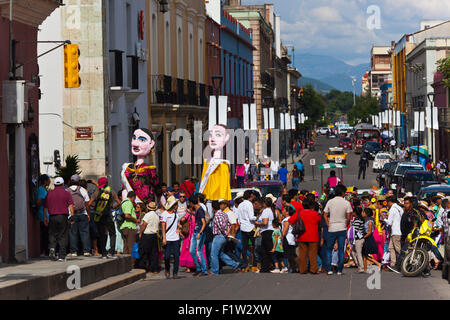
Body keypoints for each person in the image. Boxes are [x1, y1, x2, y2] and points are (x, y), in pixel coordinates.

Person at [323, 185, 352, 275]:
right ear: (343, 192)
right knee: (340, 249)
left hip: (332, 227)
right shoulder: (346, 203)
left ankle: (329, 269)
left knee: (329, 249)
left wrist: (328, 224)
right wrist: (345, 224)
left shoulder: (330, 202)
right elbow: (348, 217)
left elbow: (325, 214)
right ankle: (339, 270)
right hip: (342, 228)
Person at [89, 177, 121, 259]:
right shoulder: (111, 191)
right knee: (112, 233)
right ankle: (112, 252)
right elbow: (119, 202)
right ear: (106, 183)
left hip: (99, 216)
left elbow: (89, 204)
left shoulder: (96, 192)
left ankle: (103, 254)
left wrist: (95, 207)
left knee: (101, 234)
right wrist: (112, 207)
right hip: (108, 216)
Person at [44, 177, 75, 261]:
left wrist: (45, 217)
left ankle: (52, 248)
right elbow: (71, 206)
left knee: (52, 234)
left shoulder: (49, 193)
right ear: (63, 184)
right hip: (63, 216)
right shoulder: (66, 193)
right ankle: (61, 255)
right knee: (63, 235)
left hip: (52, 216)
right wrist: (72, 216)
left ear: (54, 184)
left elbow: (45, 207)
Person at [289, 197, 322, 274]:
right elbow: (319, 221)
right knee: (313, 254)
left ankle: (302, 270)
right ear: (311, 206)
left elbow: (290, 220)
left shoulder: (299, 213)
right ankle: (313, 270)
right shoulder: (315, 214)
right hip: (313, 236)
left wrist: (295, 226)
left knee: (302, 255)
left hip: (302, 236)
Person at [210, 201, 240, 275]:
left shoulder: (217, 215)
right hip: (223, 236)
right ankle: (234, 264)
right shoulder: (224, 214)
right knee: (220, 254)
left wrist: (226, 234)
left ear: (213, 208)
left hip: (219, 236)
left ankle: (215, 271)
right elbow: (229, 225)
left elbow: (222, 227)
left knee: (214, 254)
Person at [67, 174, 91, 257]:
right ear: (78, 182)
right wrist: (88, 213)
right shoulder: (82, 190)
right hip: (82, 213)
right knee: (84, 233)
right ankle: (86, 251)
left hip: (71, 214)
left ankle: (73, 252)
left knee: (73, 233)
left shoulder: (67, 190)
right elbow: (87, 203)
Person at [160, 196, 181, 279]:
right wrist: (164, 238)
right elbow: (163, 226)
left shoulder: (177, 215)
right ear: (173, 205)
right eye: (176, 204)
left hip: (176, 238)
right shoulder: (164, 214)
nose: (177, 205)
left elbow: (177, 224)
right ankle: (167, 269)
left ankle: (175, 273)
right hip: (168, 238)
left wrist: (179, 229)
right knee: (167, 256)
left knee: (176, 256)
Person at [254, 197, 275, 273]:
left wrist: (257, 223)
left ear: (265, 204)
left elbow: (265, 222)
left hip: (266, 232)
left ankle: (274, 265)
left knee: (267, 250)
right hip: (269, 231)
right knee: (265, 251)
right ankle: (265, 268)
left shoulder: (266, 211)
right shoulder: (271, 210)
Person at [189, 194, 208, 276]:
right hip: (195, 232)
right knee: (192, 251)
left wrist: (200, 233)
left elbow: (204, 223)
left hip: (199, 233)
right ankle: (198, 267)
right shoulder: (197, 210)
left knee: (199, 251)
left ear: (192, 203)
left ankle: (204, 270)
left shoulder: (200, 210)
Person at [237, 190, 257, 270]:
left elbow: (238, 218)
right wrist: (258, 218)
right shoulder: (249, 204)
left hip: (243, 228)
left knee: (244, 248)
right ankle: (254, 264)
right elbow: (251, 217)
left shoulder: (240, 205)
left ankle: (245, 265)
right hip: (250, 227)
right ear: (250, 196)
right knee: (254, 247)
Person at [138, 202, 160, 273]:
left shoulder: (147, 215)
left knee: (144, 252)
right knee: (154, 253)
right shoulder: (156, 216)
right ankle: (154, 268)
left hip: (147, 235)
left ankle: (143, 267)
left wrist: (140, 232)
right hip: (154, 235)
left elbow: (144, 225)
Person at [384, 196, 403, 272]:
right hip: (397, 231)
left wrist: (384, 219)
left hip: (396, 231)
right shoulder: (399, 208)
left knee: (398, 249)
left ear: (389, 202)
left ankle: (404, 263)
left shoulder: (392, 209)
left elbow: (389, 222)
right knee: (391, 247)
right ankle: (393, 263)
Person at [120, 191, 139, 265]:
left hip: (125, 227)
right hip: (130, 227)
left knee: (126, 247)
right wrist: (136, 220)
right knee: (131, 247)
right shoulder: (128, 203)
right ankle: (131, 264)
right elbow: (127, 215)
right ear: (133, 197)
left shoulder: (123, 202)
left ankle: (125, 264)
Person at [37, 174, 51, 256]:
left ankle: (45, 251)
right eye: (48, 180)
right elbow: (39, 201)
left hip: (45, 214)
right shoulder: (41, 189)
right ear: (45, 181)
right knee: (45, 234)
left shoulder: (44, 189)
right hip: (43, 215)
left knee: (46, 234)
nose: (49, 181)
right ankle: (44, 251)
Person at [281, 205, 298, 273]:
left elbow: (285, 230)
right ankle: (293, 268)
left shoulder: (286, 220)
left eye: (284, 210)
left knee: (287, 255)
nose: (282, 211)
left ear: (287, 212)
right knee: (292, 254)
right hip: (292, 239)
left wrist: (281, 238)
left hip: (287, 239)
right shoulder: (292, 218)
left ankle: (288, 268)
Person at [351, 207, 365, 273]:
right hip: (359, 239)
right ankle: (359, 265)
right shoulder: (360, 219)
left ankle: (361, 268)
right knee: (353, 252)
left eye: (353, 212)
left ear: (355, 213)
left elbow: (355, 230)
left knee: (358, 253)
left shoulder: (357, 220)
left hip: (358, 239)